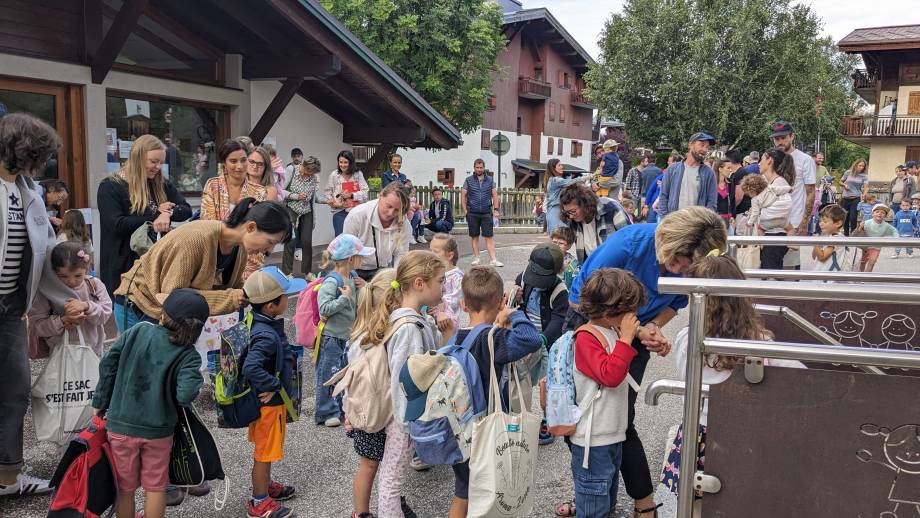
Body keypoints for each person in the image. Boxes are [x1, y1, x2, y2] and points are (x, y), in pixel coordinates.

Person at [564, 206, 728, 518]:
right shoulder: (628, 245)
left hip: (630, 336)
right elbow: (580, 299)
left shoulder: (687, 266)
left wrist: (652, 329)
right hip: (591, 330)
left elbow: (675, 302)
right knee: (582, 422)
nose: (680, 271)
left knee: (620, 420)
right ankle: (593, 492)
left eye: (687, 268)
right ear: (671, 244)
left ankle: (640, 503)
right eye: (679, 263)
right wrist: (636, 329)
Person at [664, 256, 804, 514]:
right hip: (745, 435)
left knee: (697, 505)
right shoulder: (760, 344)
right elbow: (801, 376)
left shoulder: (686, 337)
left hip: (699, 434)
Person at [0, 112, 76, 497]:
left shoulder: (28, 193)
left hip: (11, 308)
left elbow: (43, 255)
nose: (44, 163)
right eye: (41, 154)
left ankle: (8, 478)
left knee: (14, 390)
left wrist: (68, 301)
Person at [92, 289, 206, 518]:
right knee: (155, 486)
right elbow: (185, 395)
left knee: (124, 488)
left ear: (163, 316)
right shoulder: (188, 355)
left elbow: (107, 365)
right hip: (159, 431)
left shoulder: (137, 331)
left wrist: (100, 402)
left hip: (120, 426)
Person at [112, 199, 291, 337]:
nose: (269, 250)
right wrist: (231, 298)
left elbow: (233, 289)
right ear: (251, 227)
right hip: (139, 303)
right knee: (143, 375)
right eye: (270, 242)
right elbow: (173, 297)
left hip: (164, 312)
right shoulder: (196, 239)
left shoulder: (240, 248)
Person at [447, 266, 541, 518]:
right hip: (487, 428)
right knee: (491, 491)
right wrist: (513, 314)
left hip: (460, 429)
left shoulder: (454, 337)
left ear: (464, 305)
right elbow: (533, 339)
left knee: (464, 491)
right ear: (499, 302)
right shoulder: (493, 339)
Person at [569, 268, 646, 518]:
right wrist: (625, 340)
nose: (632, 316)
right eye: (628, 310)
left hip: (611, 436)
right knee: (594, 507)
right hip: (593, 443)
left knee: (606, 502)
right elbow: (610, 376)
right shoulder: (586, 337)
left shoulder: (610, 331)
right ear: (608, 311)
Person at [377, 251, 449, 518]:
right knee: (392, 480)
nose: (444, 286)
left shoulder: (415, 320)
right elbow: (402, 379)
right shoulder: (409, 327)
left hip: (407, 415)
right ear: (420, 283)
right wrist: (408, 423)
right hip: (404, 417)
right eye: (440, 281)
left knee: (394, 477)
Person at [241, 267, 306, 518]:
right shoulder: (266, 335)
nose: (288, 300)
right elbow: (251, 367)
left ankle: (265, 487)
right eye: (284, 296)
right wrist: (273, 385)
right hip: (268, 406)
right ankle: (259, 501)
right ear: (270, 306)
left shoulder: (260, 322)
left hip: (265, 405)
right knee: (264, 453)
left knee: (265, 450)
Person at [97, 134, 191, 300]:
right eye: (154, 161)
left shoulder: (161, 182)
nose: (158, 167)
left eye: (161, 162)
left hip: (156, 264)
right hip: (123, 266)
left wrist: (166, 214)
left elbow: (186, 210)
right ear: (138, 157)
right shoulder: (111, 186)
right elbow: (117, 224)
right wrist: (155, 216)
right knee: (128, 318)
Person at [344, 269, 397, 518]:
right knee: (370, 464)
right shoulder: (371, 337)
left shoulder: (363, 331)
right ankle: (361, 512)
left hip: (374, 410)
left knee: (376, 464)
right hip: (371, 413)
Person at [513, 243, 568, 445]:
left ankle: (548, 420)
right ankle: (519, 416)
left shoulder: (560, 290)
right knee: (521, 380)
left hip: (547, 343)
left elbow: (559, 319)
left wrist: (544, 338)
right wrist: (514, 298)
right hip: (526, 339)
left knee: (548, 383)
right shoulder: (523, 279)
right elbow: (517, 307)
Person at [315, 235, 370, 426]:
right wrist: (343, 299)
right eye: (359, 256)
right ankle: (325, 411)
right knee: (328, 374)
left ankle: (341, 407)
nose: (362, 260)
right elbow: (324, 309)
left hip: (349, 335)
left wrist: (366, 288)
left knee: (346, 372)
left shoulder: (354, 277)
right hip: (332, 336)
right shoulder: (332, 280)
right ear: (350, 259)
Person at [29, 241, 112, 357]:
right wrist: (63, 320)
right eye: (63, 276)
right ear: (53, 272)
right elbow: (35, 326)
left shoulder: (94, 285)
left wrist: (87, 306)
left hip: (93, 352)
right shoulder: (47, 292)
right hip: (61, 354)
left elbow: (105, 315)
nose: (72, 281)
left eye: (78, 275)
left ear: (86, 267)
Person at [343, 181, 412, 282]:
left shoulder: (405, 224)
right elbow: (346, 251)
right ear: (381, 195)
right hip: (355, 271)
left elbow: (401, 254)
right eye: (389, 206)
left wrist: (397, 279)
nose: (390, 213)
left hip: (383, 271)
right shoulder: (356, 216)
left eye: (397, 210)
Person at [769, 121, 816, 269]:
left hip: (793, 221)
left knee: (789, 268)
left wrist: (804, 222)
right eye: (777, 138)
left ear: (792, 136)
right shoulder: (769, 159)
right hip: (771, 222)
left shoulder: (805, 160)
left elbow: (811, 192)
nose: (780, 142)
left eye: (783, 137)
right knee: (770, 266)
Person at [559, 182, 631, 264]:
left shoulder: (610, 207)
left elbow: (630, 240)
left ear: (584, 204)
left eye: (573, 211)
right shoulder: (574, 220)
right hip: (592, 268)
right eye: (568, 213)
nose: (571, 216)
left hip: (616, 267)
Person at [752, 148, 795, 270]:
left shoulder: (779, 183)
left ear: (769, 160)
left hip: (775, 236)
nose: (759, 163)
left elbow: (780, 215)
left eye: (762, 159)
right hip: (769, 236)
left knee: (770, 278)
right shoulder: (769, 182)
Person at [658, 132, 718, 216]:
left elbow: (712, 203)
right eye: (702, 145)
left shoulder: (709, 173)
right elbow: (663, 196)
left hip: (696, 225)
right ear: (690, 145)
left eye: (707, 147)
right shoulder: (672, 169)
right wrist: (665, 218)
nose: (705, 150)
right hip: (674, 223)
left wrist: (703, 223)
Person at [282, 156, 322, 277]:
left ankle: (307, 272)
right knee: (291, 240)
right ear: (304, 167)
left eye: (313, 173)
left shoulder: (313, 177)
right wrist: (296, 196)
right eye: (310, 172)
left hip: (307, 211)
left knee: (306, 241)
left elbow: (315, 197)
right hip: (291, 209)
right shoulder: (291, 170)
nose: (311, 175)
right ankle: (287, 273)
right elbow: (281, 191)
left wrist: (328, 201)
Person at [461, 158, 502, 266]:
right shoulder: (468, 180)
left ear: (484, 168)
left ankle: (493, 260)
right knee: (474, 236)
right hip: (472, 213)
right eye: (477, 167)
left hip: (486, 212)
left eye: (481, 167)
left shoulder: (490, 180)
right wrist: (466, 211)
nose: (479, 169)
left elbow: (495, 195)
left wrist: (496, 209)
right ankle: (476, 258)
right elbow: (463, 195)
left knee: (489, 236)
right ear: (474, 168)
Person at [325, 150, 369, 236]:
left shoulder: (358, 174)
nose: (343, 165)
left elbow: (365, 192)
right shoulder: (334, 175)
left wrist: (352, 195)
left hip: (356, 211)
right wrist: (334, 203)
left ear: (351, 163)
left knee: (355, 239)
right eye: (340, 162)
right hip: (339, 212)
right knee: (340, 239)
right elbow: (327, 193)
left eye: (346, 162)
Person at [545, 158, 592, 233]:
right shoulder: (555, 180)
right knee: (559, 235)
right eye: (559, 165)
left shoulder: (553, 180)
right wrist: (589, 177)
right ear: (553, 168)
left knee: (562, 235)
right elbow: (571, 182)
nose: (562, 167)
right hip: (555, 210)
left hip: (557, 210)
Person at [429, 233, 463, 331]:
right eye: (430, 250)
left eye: (435, 251)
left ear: (450, 255)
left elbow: (455, 299)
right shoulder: (431, 272)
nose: (430, 254)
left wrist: (437, 303)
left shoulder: (457, 276)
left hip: (447, 323)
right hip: (432, 321)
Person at [857, 204, 898, 272]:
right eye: (877, 212)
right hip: (865, 247)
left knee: (872, 262)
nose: (879, 214)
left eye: (882, 212)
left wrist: (896, 238)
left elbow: (894, 230)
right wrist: (860, 227)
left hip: (876, 247)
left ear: (885, 215)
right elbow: (859, 232)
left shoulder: (886, 225)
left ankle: (866, 278)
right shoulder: (867, 223)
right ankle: (861, 275)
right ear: (873, 214)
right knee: (863, 262)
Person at [811, 204, 847, 271]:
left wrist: (816, 243)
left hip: (828, 277)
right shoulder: (827, 236)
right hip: (823, 274)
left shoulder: (836, 238)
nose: (820, 223)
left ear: (838, 223)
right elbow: (814, 256)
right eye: (820, 221)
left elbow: (822, 258)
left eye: (825, 221)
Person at [840, 158, 869, 236]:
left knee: (853, 217)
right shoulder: (848, 173)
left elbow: (866, 187)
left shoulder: (864, 176)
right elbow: (840, 181)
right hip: (846, 198)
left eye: (863, 166)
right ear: (855, 165)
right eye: (860, 165)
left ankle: (853, 235)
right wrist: (844, 185)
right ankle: (846, 235)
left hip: (856, 197)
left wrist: (864, 194)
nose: (861, 167)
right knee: (845, 217)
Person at [723, 150, 752, 220]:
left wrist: (730, 210)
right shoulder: (737, 173)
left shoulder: (740, 173)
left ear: (730, 161)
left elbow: (738, 197)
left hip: (741, 212)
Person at [551, 226, 579, 290]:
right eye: (554, 242)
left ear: (569, 246)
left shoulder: (573, 264)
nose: (556, 246)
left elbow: (574, 285)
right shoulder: (545, 257)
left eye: (561, 243)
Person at [713, 159, 732, 224]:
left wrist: (733, 217)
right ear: (720, 169)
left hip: (729, 220)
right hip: (715, 220)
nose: (730, 170)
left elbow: (733, 202)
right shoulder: (712, 184)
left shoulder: (730, 183)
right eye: (728, 168)